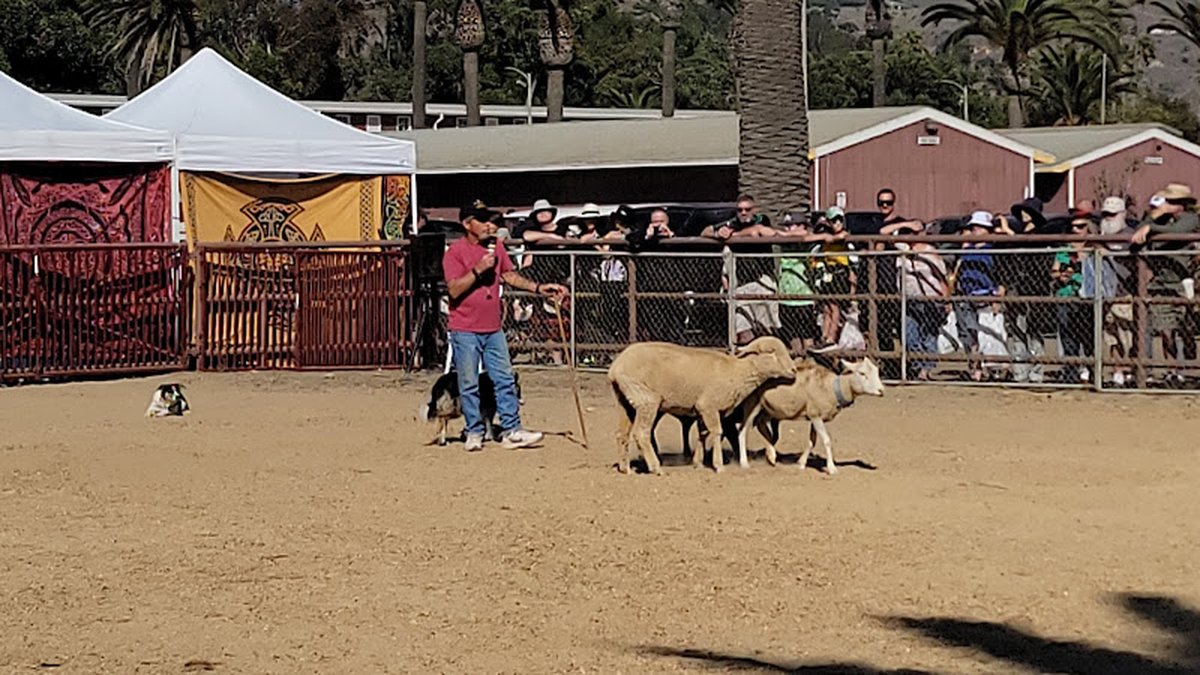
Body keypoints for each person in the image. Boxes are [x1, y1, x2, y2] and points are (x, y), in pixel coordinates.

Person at [443, 201, 566, 451]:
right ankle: (474, 431)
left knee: (505, 378)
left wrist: (539, 288)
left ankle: (512, 429)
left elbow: (509, 275)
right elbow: (454, 289)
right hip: (465, 328)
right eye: (483, 221)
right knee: (469, 382)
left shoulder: (497, 247)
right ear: (467, 224)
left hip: (493, 327)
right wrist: (478, 270)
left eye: (492, 221)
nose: (490, 226)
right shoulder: (454, 253)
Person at [1132, 183, 1200, 384]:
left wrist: (1150, 226)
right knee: (1165, 328)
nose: (1168, 205)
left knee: (1185, 324)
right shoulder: (1160, 218)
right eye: (1167, 201)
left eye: (1173, 202)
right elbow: (1137, 233)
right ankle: (1173, 370)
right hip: (1161, 281)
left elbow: (1177, 231)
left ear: (1183, 204)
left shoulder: (1191, 219)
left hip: (1183, 281)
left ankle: (1188, 350)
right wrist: (1151, 218)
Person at [894, 221, 949, 380]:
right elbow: (885, 235)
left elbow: (941, 277)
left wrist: (946, 300)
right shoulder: (903, 251)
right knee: (910, 333)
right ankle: (918, 365)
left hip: (930, 297)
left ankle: (927, 368)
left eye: (914, 233)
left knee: (929, 334)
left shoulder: (930, 252)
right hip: (909, 298)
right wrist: (907, 224)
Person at [952, 211, 1001, 381]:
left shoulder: (993, 249)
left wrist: (997, 295)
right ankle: (975, 367)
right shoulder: (967, 248)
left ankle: (992, 368)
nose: (975, 230)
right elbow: (959, 270)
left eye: (980, 227)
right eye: (973, 227)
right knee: (968, 333)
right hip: (966, 294)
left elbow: (999, 274)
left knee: (987, 333)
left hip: (985, 294)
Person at [1050, 217, 1093, 382]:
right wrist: (1061, 275)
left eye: (1080, 227)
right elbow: (1054, 271)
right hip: (1066, 296)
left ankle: (1091, 370)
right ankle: (1071, 372)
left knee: (1088, 336)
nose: (1076, 230)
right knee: (1068, 337)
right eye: (1073, 227)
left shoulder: (1093, 247)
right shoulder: (1064, 250)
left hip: (1087, 298)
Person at [811, 206, 855, 350]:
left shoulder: (844, 236)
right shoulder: (825, 236)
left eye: (839, 220)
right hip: (828, 273)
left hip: (839, 273)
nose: (837, 223)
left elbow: (843, 240)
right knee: (826, 307)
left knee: (834, 307)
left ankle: (831, 337)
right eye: (833, 220)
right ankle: (824, 336)